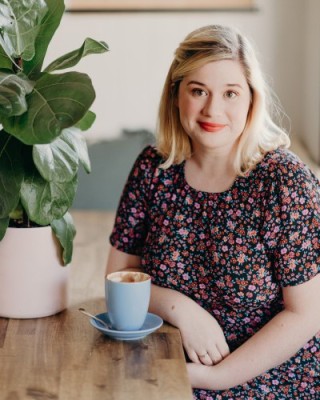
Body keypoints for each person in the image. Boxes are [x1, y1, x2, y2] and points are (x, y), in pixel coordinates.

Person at [106, 25, 320, 399]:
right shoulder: (153, 167)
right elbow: (117, 276)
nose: (212, 109)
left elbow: (306, 314)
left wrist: (218, 377)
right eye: (198, 91)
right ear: (175, 95)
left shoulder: (284, 182)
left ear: (252, 100)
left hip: (271, 374)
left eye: (230, 93)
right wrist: (183, 310)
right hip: (169, 359)